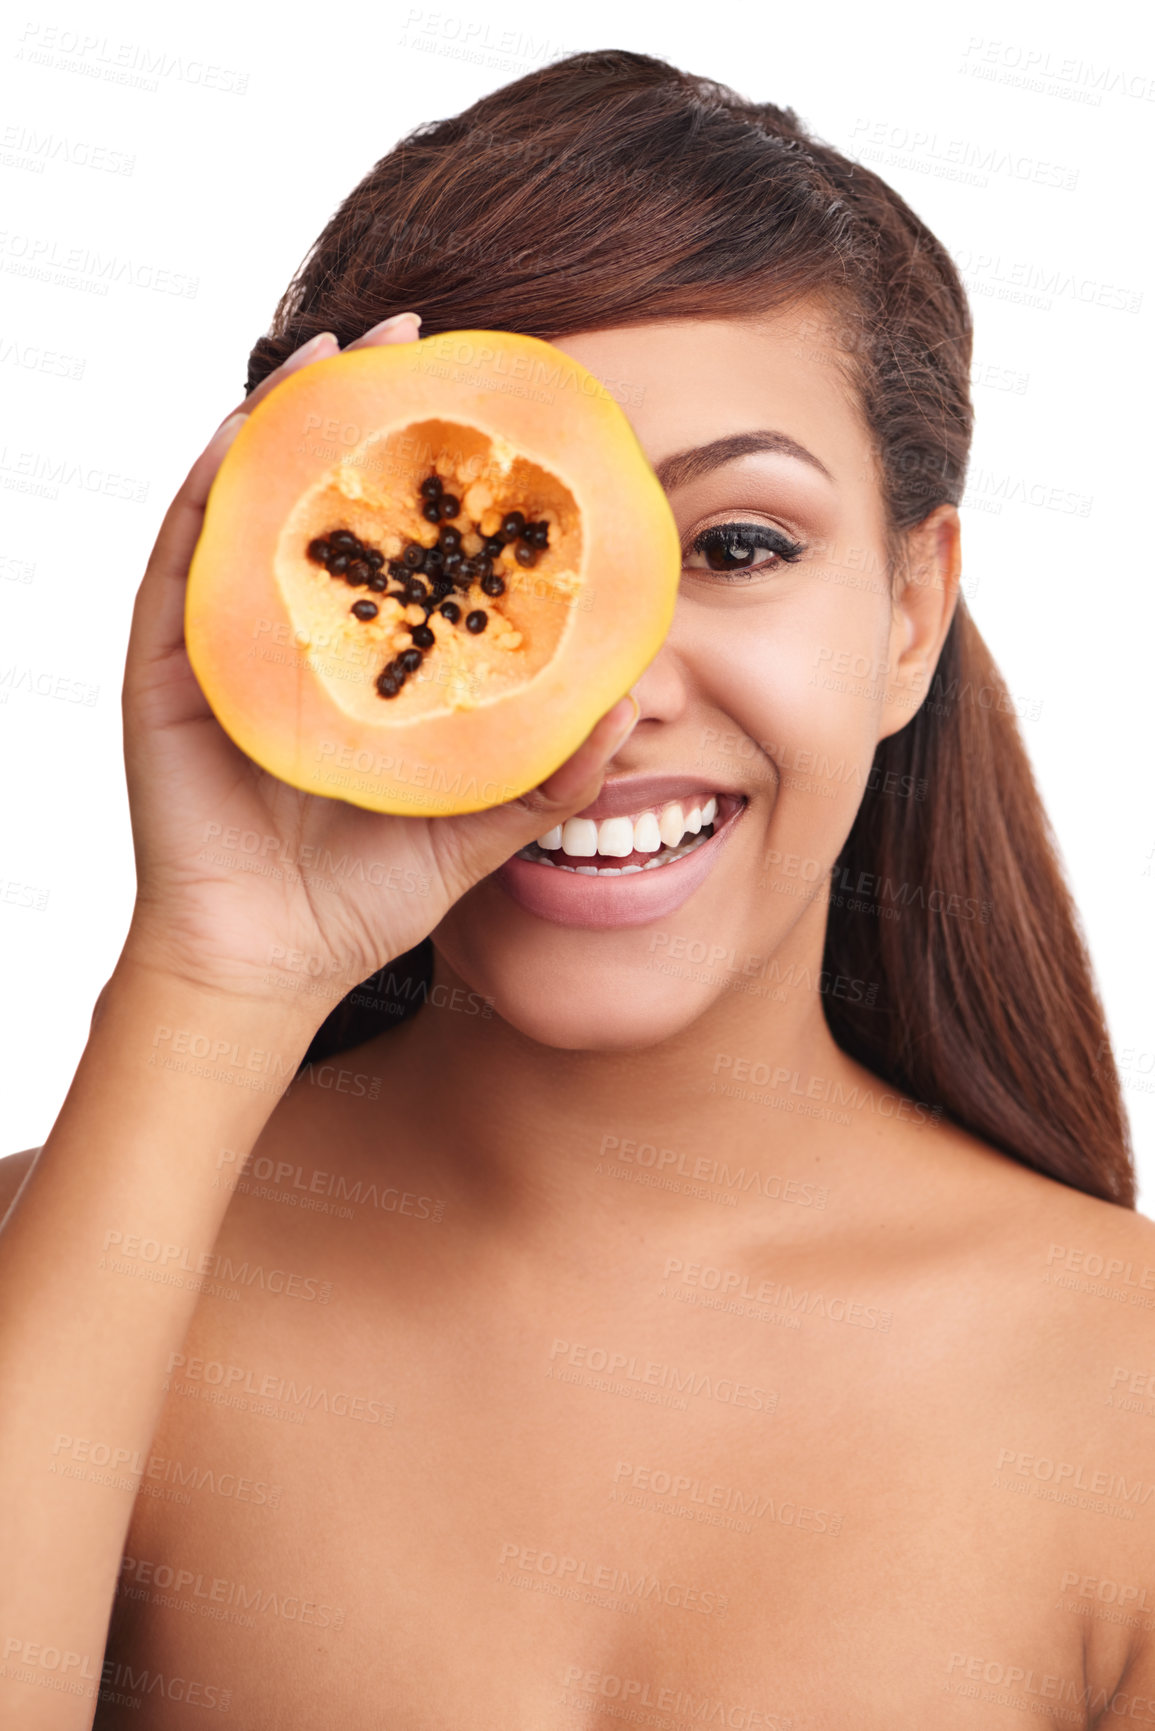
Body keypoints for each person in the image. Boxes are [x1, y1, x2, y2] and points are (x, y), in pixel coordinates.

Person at [2, 47, 1151, 1729]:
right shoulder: (59, 1277)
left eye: (738, 549)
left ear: (912, 612)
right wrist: (211, 971)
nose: (605, 705)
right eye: (494, 555)